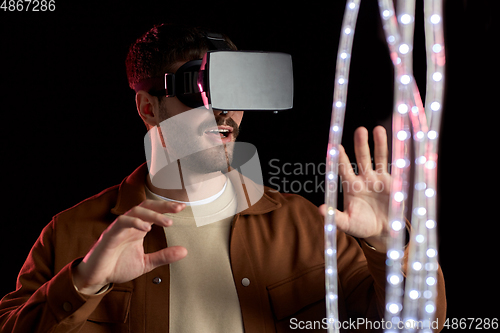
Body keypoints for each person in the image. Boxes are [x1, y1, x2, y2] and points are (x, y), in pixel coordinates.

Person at [0, 24, 446, 332]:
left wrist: (393, 248)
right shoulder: (73, 233)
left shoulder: (305, 226)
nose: (223, 112)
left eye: (235, 91)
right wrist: (83, 284)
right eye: (199, 92)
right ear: (148, 108)